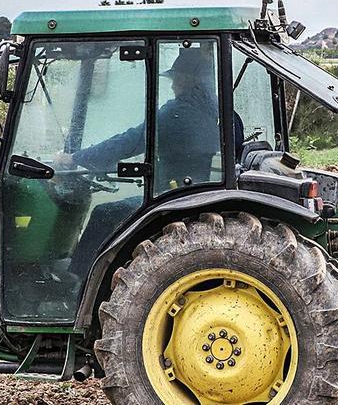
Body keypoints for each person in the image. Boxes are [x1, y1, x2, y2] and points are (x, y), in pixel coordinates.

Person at [56, 45, 222, 277]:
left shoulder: (177, 113)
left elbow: (131, 141)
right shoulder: (217, 112)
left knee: (104, 213)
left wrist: (76, 157)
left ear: (190, 80)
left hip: (172, 196)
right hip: (189, 191)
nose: (173, 85)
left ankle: (77, 282)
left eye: (178, 79)